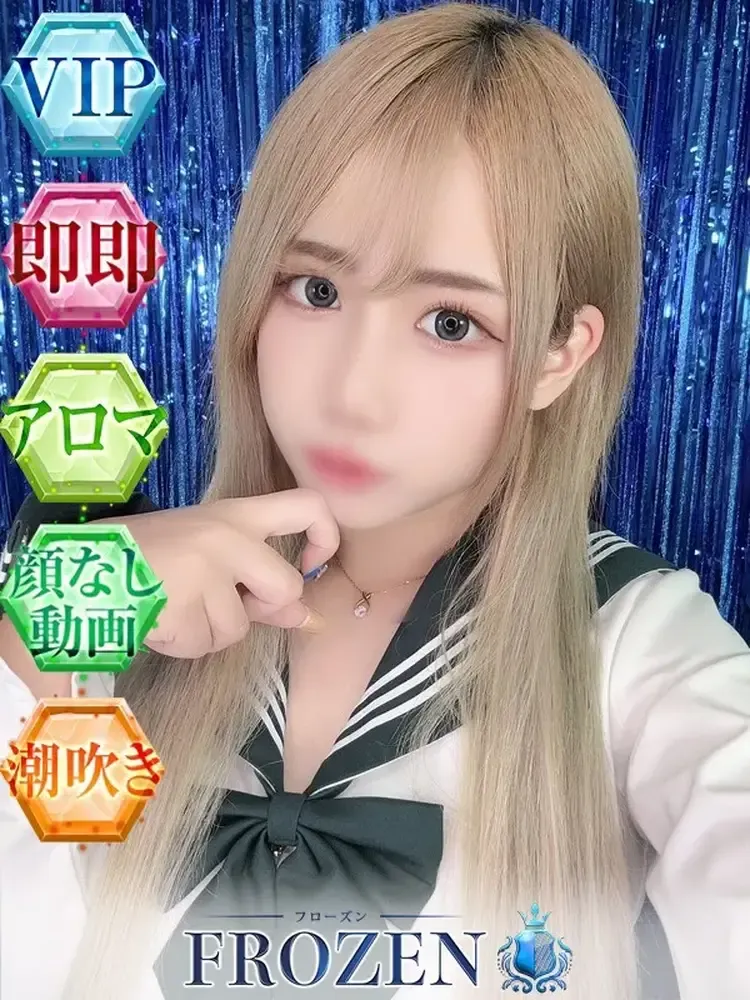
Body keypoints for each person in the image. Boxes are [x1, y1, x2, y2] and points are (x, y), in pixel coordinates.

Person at [0, 4, 748, 1000]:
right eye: (315, 290)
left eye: (451, 322)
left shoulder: (635, 650)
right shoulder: (114, 597)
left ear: (560, 355)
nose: (353, 391)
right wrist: (33, 648)